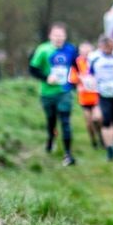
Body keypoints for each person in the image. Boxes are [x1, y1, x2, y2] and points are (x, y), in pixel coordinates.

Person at [28, 23, 78, 166]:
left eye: (61, 35)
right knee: (51, 120)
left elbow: (77, 67)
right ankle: (51, 138)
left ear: (65, 36)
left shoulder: (70, 50)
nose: (58, 38)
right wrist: (46, 78)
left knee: (65, 121)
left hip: (64, 91)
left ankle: (68, 154)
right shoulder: (43, 50)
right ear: (50, 36)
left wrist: (75, 81)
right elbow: (32, 69)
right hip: (47, 93)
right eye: (56, 35)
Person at [69, 41, 103, 150]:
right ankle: (93, 141)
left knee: (97, 118)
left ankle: (101, 136)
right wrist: (80, 78)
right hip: (84, 98)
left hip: (97, 96)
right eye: (83, 52)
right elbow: (72, 79)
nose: (86, 54)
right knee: (89, 122)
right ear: (80, 52)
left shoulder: (97, 61)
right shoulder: (77, 63)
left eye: (88, 52)